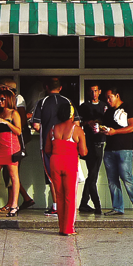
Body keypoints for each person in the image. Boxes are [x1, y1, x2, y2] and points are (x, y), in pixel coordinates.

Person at [30, 77, 73, 216]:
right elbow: (75, 123)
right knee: (66, 177)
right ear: (60, 88)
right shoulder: (67, 102)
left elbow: (36, 125)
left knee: (52, 176)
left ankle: (56, 206)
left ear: (47, 87)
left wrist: (47, 131)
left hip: (48, 145)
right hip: (66, 145)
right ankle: (66, 206)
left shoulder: (42, 103)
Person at [45, 103, 88, 235]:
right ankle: (69, 228)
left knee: (59, 196)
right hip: (70, 163)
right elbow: (84, 152)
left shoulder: (52, 129)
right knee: (70, 196)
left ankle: (61, 227)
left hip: (55, 162)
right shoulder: (77, 130)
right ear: (72, 114)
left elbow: (47, 149)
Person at [0, 78, 35, 210]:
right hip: (5, 141)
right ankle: (22, 199)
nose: (0, 94)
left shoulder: (18, 99)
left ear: (7, 88)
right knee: (8, 172)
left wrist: (7, 123)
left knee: (11, 172)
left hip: (15, 141)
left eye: (1, 88)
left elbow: (20, 123)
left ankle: (12, 203)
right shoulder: (4, 106)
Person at [100, 87, 133, 215]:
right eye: (106, 98)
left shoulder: (129, 108)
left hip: (124, 149)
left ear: (117, 95)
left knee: (126, 175)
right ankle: (118, 207)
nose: (108, 100)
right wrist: (102, 130)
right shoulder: (108, 112)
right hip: (109, 149)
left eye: (110, 97)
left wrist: (115, 132)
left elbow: (132, 127)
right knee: (112, 180)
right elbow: (107, 127)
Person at [0, 89, 24, 217]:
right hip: (1, 146)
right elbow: (0, 132)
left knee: (13, 176)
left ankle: (14, 204)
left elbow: (18, 131)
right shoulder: (0, 113)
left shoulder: (14, 113)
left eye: (3, 99)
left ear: (8, 100)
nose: (0, 101)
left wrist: (7, 122)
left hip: (11, 146)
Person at [77, 84, 107, 215]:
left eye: (95, 90)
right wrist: (88, 122)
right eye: (91, 91)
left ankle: (84, 202)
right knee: (92, 174)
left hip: (100, 142)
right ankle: (95, 205)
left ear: (99, 92)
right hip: (89, 142)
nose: (93, 93)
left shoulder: (104, 106)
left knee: (92, 174)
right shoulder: (84, 107)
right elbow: (78, 122)